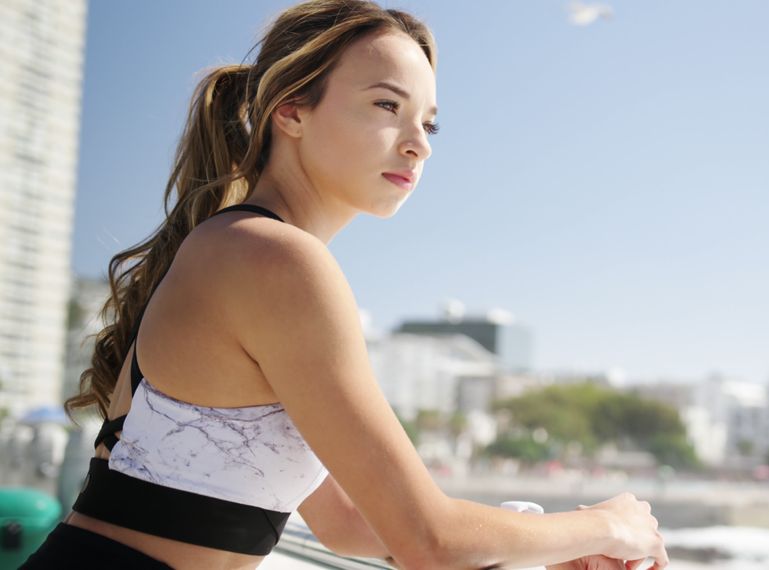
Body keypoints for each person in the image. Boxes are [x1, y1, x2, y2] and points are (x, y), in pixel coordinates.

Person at [21, 1, 669, 569]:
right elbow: (426, 542)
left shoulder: (244, 250)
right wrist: (613, 523)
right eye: (387, 106)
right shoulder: (272, 259)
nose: (418, 144)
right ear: (291, 111)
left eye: (429, 122)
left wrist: (543, 538)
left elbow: (354, 523)